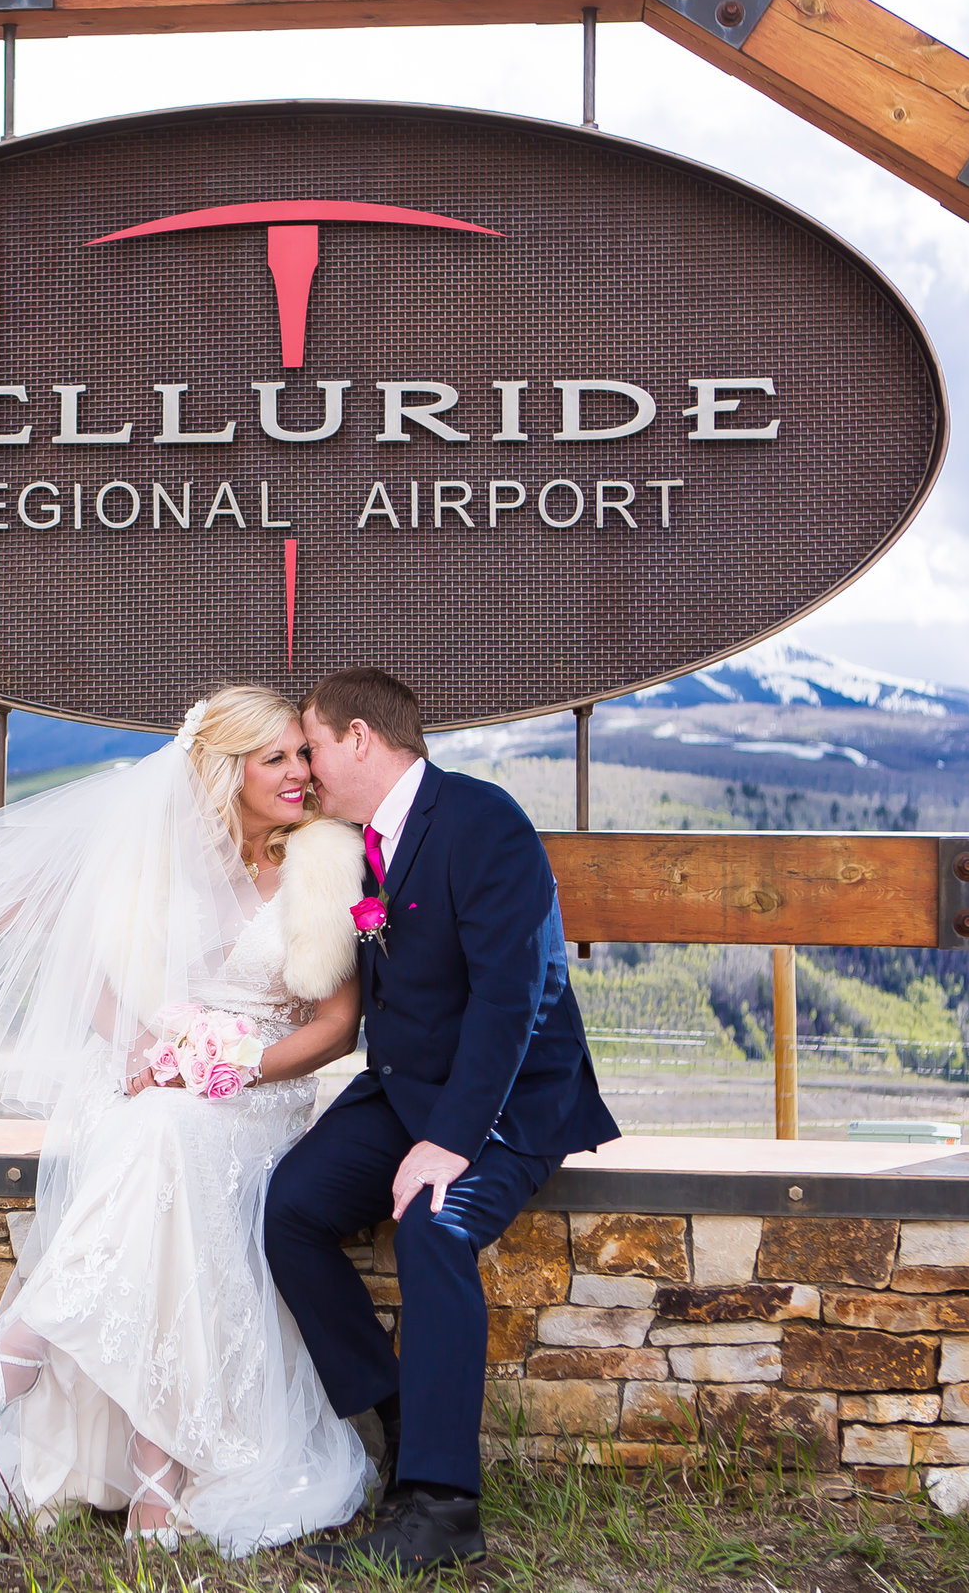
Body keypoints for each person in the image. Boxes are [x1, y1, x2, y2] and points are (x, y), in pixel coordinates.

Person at [0, 685, 374, 1555]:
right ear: (226, 771)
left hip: (263, 1090)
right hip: (158, 1083)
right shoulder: (164, 853)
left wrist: (239, 1062)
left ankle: (19, 1352)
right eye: (277, 759)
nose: (300, 773)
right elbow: (92, 980)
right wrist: (151, 1046)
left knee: (166, 1139)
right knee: (159, 1145)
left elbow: (336, 1026)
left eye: (302, 754)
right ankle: (157, 1480)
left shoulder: (323, 864)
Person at [265, 666, 620, 1571]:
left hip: (506, 1096)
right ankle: (396, 1409)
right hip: (403, 1089)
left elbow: (515, 994)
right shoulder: (357, 841)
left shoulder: (480, 819)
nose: (306, 765)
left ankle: (441, 1508)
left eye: (311, 745)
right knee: (291, 1207)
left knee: (432, 1222)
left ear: (359, 739)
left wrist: (451, 1140)